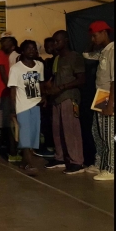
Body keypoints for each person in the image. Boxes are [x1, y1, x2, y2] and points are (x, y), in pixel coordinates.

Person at [43, 30, 86, 174]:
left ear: (66, 40)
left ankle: (77, 161)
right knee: (57, 130)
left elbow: (81, 79)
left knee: (71, 130)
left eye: (58, 41)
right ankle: (60, 157)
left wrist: (61, 87)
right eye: (54, 41)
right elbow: (55, 77)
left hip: (69, 97)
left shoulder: (75, 57)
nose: (55, 44)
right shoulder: (57, 59)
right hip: (56, 98)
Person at [7, 40, 45, 175]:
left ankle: (24, 162)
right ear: (22, 51)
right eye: (28, 48)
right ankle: (29, 163)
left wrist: (43, 97)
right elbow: (13, 90)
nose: (32, 51)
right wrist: (13, 109)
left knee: (34, 134)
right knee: (25, 133)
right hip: (22, 105)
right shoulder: (16, 68)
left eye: (34, 48)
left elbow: (40, 83)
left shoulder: (39, 65)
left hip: (36, 103)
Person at [83, 21, 115, 181]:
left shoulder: (113, 50)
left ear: (104, 32)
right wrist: (93, 43)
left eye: (95, 36)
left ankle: (111, 169)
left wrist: (110, 104)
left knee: (108, 134)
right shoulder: (103, 51)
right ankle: (101, 164)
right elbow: (86, 55)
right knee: (98, 132)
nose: (93, 39)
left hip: (109, 96)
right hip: (100, 95)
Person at [34, 37, 56, 159]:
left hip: (52, 95)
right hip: (46, 95)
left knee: (49, 122)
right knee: (46, 121)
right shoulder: (47, 61)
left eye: (50, 45)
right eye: (46, 46)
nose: (48, 48)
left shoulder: (52, 61)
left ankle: (51, 146)